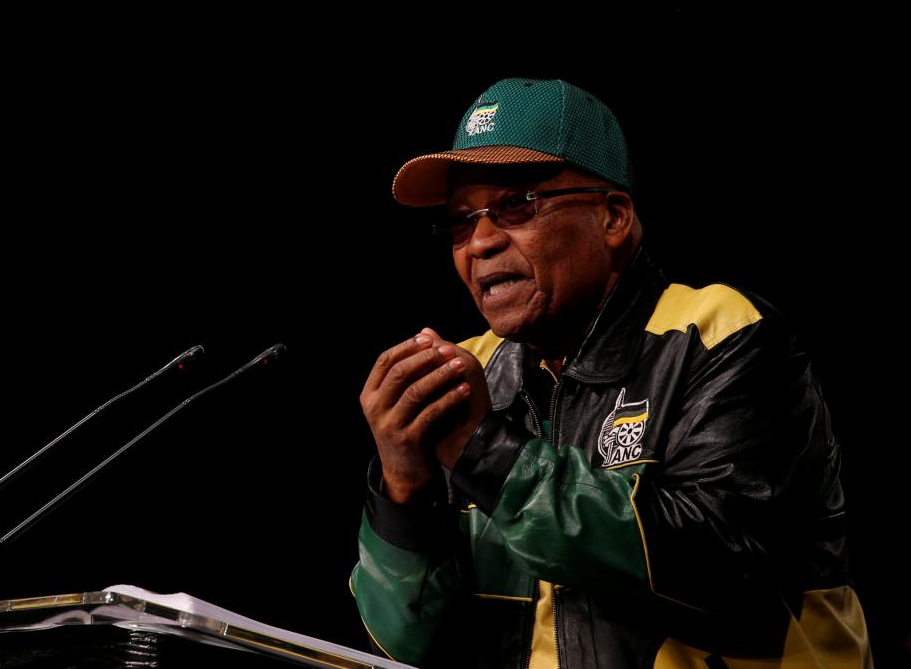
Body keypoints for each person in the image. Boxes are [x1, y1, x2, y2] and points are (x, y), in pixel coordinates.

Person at [350, 78, 871, 668]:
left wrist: (484, 454)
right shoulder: (470, 372)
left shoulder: (720, 333)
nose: (481, 242)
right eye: (460, 221)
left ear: (614, 217)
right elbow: (405, 641)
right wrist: (403, 487)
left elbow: (732, 571)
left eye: (517, 204)